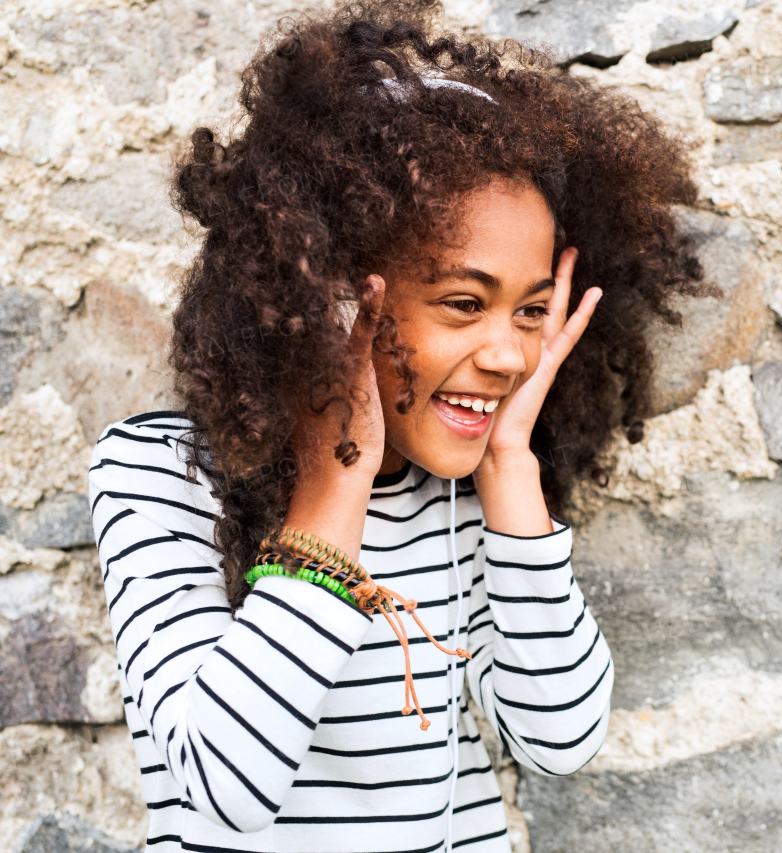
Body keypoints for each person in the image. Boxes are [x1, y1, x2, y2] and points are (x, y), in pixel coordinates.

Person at [88, 1, 708, 850]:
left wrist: (512, 475)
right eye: (464, 302)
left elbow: (561, 740)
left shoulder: (463, 497)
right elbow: (219, 783)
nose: (507, 355)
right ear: (336, 294)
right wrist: (334, 483)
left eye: (531, 311)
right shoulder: (158, 473)